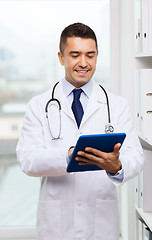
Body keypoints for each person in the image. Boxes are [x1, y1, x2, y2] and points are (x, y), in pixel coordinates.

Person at [16, 22, 144, 240]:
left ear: (96, 56)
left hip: (101, 225)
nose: (83, 63)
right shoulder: (39, 105)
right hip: (56, 227)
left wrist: (117, 167)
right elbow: (27, 160)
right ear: (61, 57)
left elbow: (137, 157)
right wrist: (68, 155)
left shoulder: (116, 105)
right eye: (75, 55)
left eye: (90, 55)